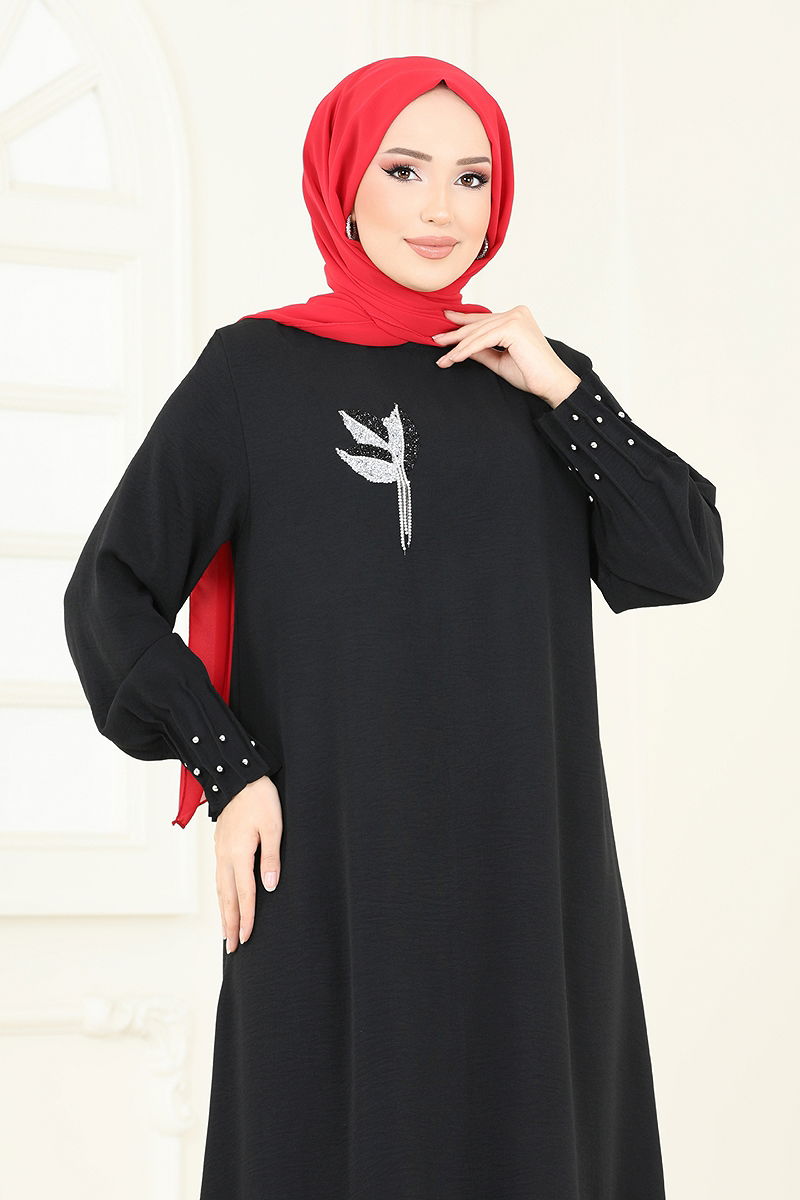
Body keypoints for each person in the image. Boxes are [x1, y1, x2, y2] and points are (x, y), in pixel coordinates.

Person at [63, 55, 724, 1200]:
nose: (439, 209)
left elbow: (681, 557)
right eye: (404, 170)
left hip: (527, 874)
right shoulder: (253, 373)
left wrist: (568, 394)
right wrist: (228, 770)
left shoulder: (534, 383)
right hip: (333, 869)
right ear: (343, 183)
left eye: (471, 178)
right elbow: (108, 591)